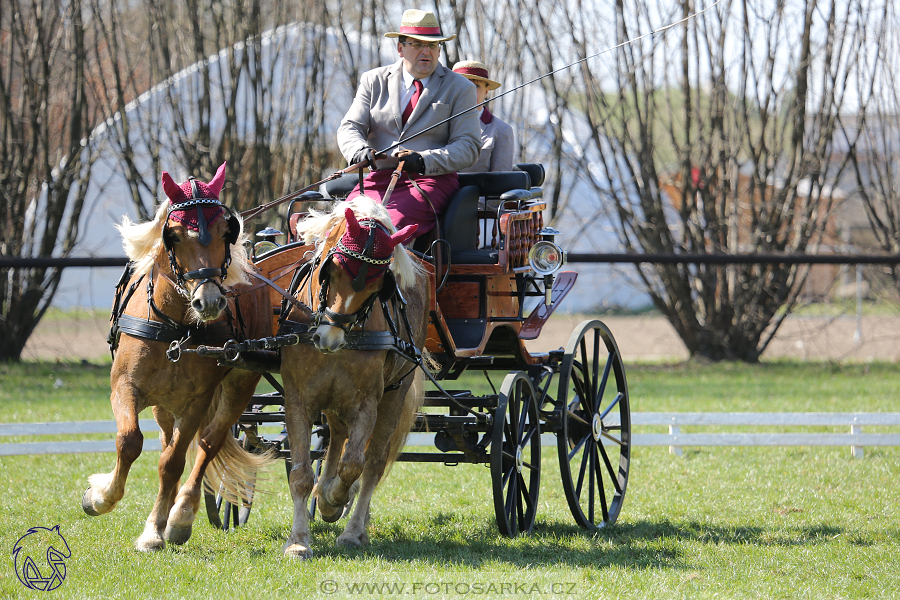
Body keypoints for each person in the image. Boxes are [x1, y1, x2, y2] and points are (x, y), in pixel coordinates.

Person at [336, 9, 481, 239]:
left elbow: (469, 146)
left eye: (432, 45)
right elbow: (350, 127)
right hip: (378, 179)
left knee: (388, 230)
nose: (426, 51)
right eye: (417, 44)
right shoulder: (373, 81)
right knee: (340, 230)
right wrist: (358, 151)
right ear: (400, 48)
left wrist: (424, 160)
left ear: (440, 49)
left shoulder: (461, 88)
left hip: (430, 181)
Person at [453, 60, 514, 173]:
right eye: (462, 84)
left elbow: (501, 180)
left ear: (486, 91)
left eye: (476, 86)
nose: (469, 91)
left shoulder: (502, 131)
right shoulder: (435, 122)